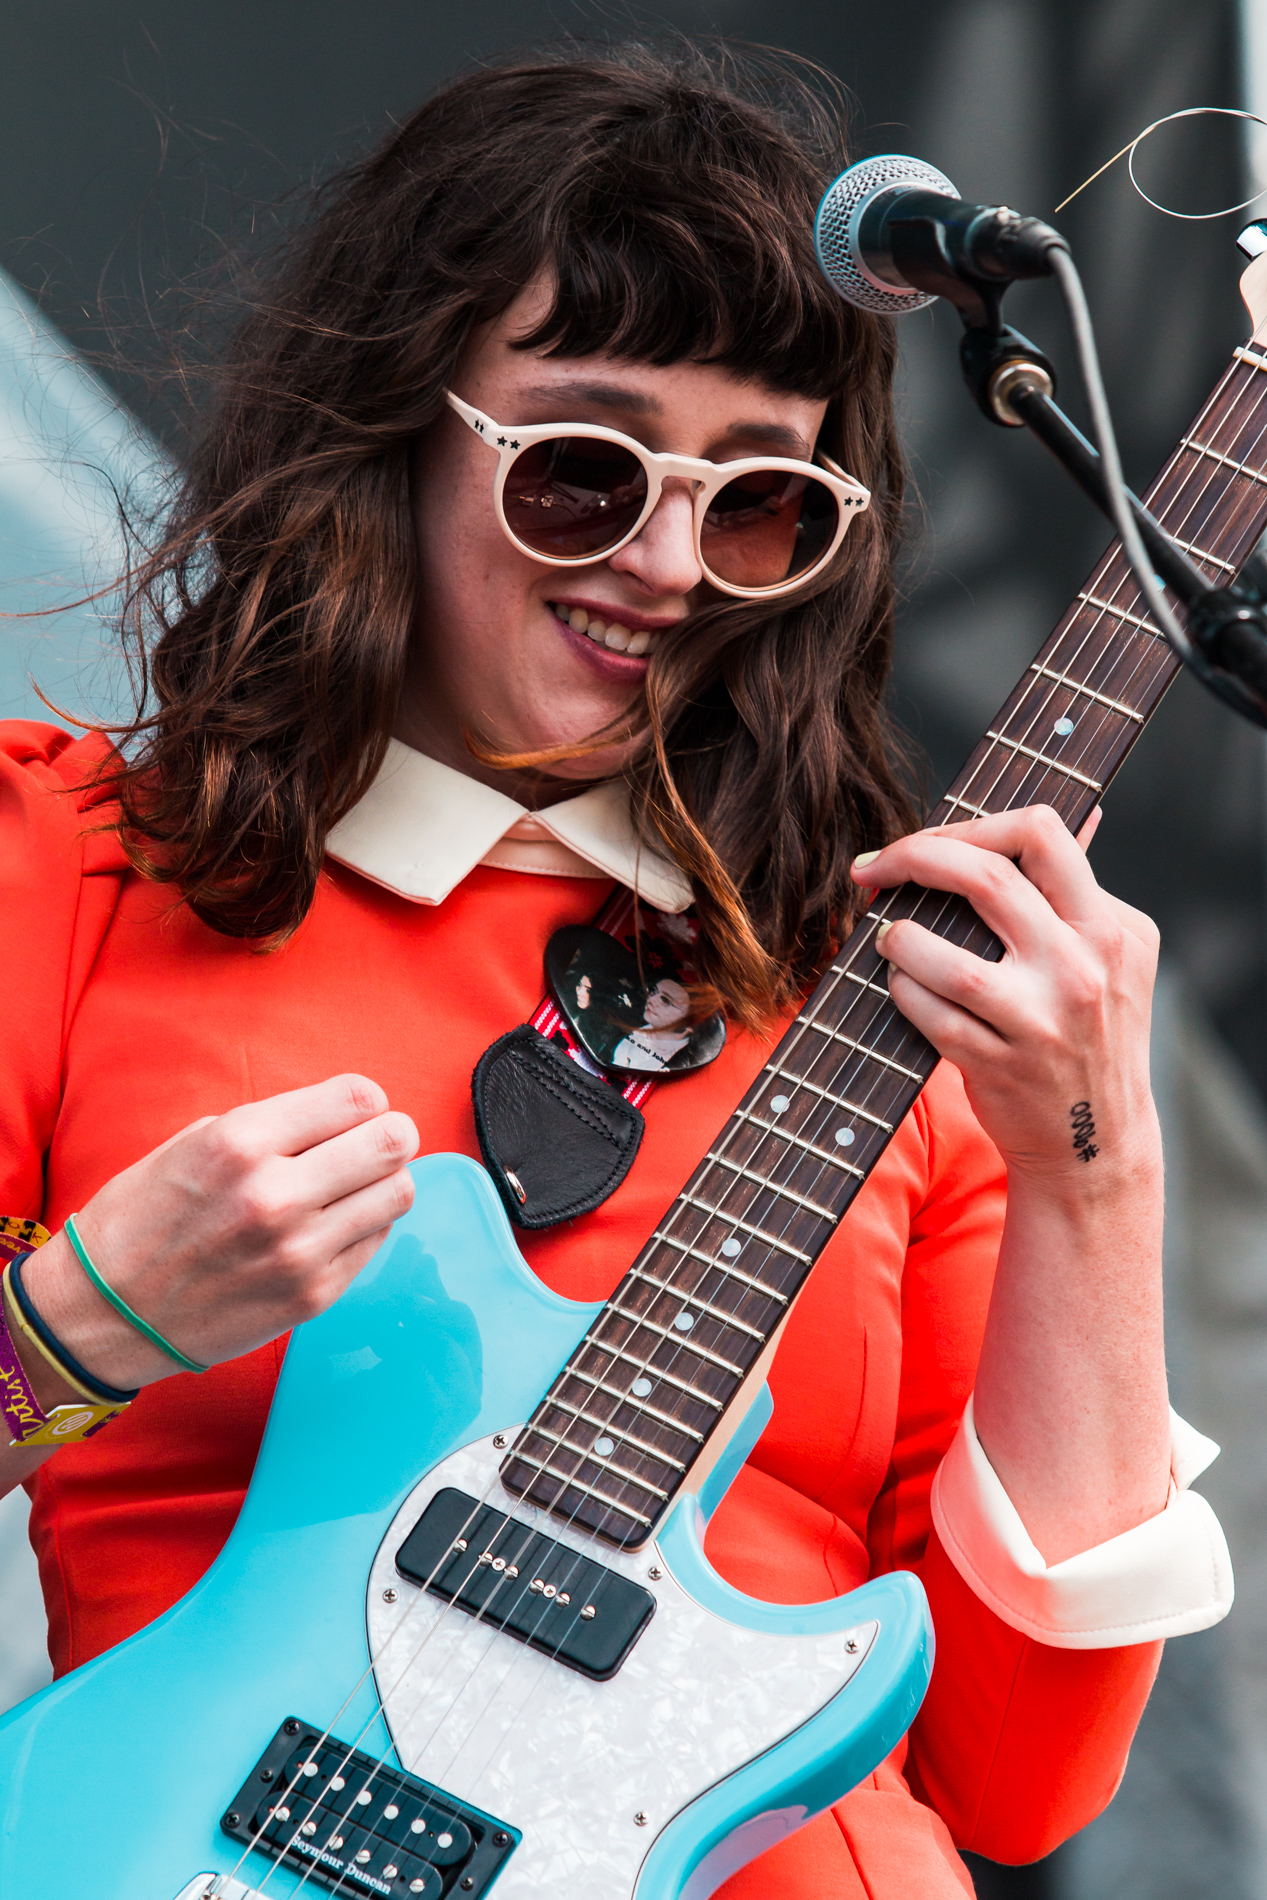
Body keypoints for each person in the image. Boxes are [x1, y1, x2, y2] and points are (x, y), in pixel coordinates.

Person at [0, 43, 1232, 1899]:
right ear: (394, 428)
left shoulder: (903, 1008)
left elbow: (1020, 1779)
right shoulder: (75, 867)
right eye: (582, 474)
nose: (666, 565)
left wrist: (1095, 1174)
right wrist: (77, 1329)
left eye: (754, 503)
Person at [611, 976, 694, 1069]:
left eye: (665, 1000)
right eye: (653, 991)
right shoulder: (635, 1031)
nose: (651, 1000)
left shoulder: (685, 1060)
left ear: (689, 1020)